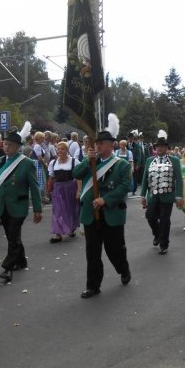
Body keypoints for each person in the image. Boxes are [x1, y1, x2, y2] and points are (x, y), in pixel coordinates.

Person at [72, 116, 132, 299]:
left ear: (111, 145)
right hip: (91, 214)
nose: (97, 146)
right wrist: (87, 160)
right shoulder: (91, 162)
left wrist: (105, 200)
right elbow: (76, 174)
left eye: (101, 143)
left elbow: (125, 187)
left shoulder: (121, 165)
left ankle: (123, 269)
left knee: (115, 250)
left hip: (111, 213)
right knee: (92, 253)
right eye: (96, 143)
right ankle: (93, 286)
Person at [0, 124, 42, 283]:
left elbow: (34, 187)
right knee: (12, 236)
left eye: (10, 145)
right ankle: (21, 260)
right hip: (2, 205)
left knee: (13, 234)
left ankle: (8, 268)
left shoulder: (26, 163)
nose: (6, 147)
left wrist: (37, 209)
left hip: (18, 205)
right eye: (5, 144)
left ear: (18, 147)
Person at [140, 130, 184, 255]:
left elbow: (179, 179)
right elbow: (145, 178)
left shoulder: (174, 160)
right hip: (152, 195)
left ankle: (164, 244)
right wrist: (142, 195)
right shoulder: (149, 160)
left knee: (165, 220)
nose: (159, 148)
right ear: (155, 148)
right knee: (150, 216)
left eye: (162, 146)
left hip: (168, 195)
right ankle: (157, 234)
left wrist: (179, 196)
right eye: (158, 146)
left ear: (166, 148)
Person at [47, 141, 80, 244]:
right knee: (58, 210)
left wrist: (79, 191)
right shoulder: (53, 163)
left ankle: (72, 227)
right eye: (58, 149)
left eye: (62, 149)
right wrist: (49, 189)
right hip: (58, 188)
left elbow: (79, 178)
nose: (60, 151)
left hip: (70, 187)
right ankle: (58, 234)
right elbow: (51, 177)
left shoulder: (74, 161)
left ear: (67, 150)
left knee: (71, 209)